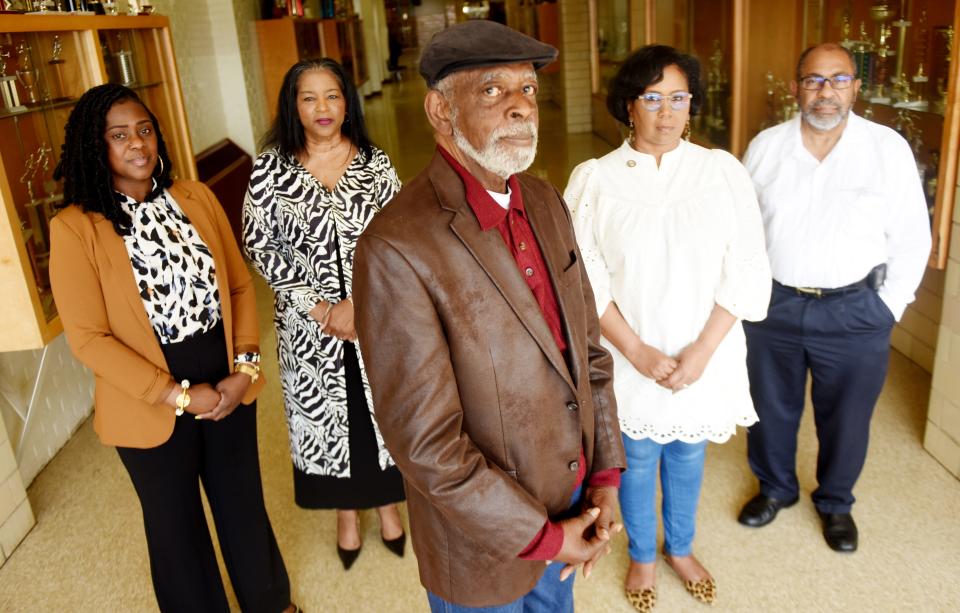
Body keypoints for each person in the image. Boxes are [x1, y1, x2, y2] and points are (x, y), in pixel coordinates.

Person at [352, 20, 626, 612]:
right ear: (439, 111)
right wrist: (544, 537)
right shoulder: (397, 247)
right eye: (493, 91)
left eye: (527, 90)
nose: (521, 108)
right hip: (480, 548)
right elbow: (425, 443)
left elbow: (589, 355)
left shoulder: (547, 203)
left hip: (570, 509)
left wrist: (604, 477)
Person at [48, 83, 295, 613]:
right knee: (174, 522)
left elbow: (236, 284)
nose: (137, 144)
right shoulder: (75, 229)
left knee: (242, 502)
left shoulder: (194, 197)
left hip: (222, 365)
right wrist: (175, 396)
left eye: (144, 129)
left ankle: (271, 603)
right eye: (118, 136)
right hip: (144, 391)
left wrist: (246, 366)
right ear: (96, 147)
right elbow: (89, 339)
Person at [564, 45, 771, 612]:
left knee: (687, 453)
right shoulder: (595, 180)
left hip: (706, 349)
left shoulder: (720, 171)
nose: (666, 112)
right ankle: (644, 556)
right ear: (628, 106)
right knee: (636, 456)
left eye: (678, 98)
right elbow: (586, 279)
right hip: (629, 352)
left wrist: (702, 352)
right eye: (651, 98)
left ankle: (680, 547)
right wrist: (635, 351)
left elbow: (748, 265)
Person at [737, 43, 931, 553]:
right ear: (796, 85)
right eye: (814, 80)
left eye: (838, 80)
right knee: (769, 409)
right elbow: (741, 229)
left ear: (856, 87)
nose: (826, 92)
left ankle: (836, 503)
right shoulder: (766, 147)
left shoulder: (886, 149)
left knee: (846, 418)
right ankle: (775, 488)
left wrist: (889, 306)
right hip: (774, 306)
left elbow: (913, 236)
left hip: (855, 309)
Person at [243, 57, 405, 570]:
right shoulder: (271, 168)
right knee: (329, 419)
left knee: (376, 412)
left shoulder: (374, 164)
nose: (322, 108)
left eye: (332, 95)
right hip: (307, 326)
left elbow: (399, 240)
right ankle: (345, 513)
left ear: (347, 101)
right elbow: (260, 244)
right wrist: (319, 306)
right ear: (293, 105)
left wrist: (360, 304)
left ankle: (387, 503)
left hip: (373, 317)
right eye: (308, 97)